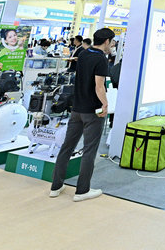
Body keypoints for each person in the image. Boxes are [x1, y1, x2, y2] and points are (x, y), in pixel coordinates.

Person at [50, 27, 114, 201]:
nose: (112, 45)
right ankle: (82, 190)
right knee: (89, 150)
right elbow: (99, 86)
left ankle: (56, 186)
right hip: (92, 111)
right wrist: (105, 104)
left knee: (67, 147)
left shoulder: (84, 54)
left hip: (76, 109)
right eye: (112, 42)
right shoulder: (101, 59)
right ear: (107, 41)